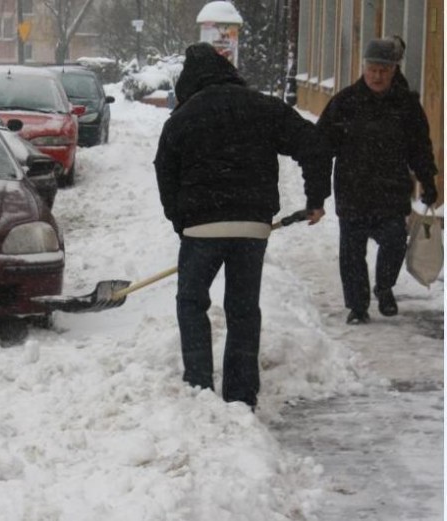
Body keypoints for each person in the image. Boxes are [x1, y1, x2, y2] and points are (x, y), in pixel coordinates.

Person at [154, 42, 331, 410]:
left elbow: (164, 171)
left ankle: (199, 387)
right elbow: (314, 144)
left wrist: (180, 221)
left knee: (191, 302)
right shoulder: (262, 107)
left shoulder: (183, 118)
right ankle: (241, 394)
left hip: (200, 228)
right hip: (252, 226)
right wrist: (316, 199)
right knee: (243, 308)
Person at [317, 38, 439, 325]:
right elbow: (321, 148)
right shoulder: (345, 102)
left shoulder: (407, 106)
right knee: (352, 252)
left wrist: (428, 182)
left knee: (395, 242)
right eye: (372, 69)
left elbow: (420, 147)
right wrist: (317, 194)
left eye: (384, 70)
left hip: (392, 190)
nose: (377, 75)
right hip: (352, 190)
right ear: (364, 68)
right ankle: (357, 307)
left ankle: (384, 287)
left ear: (394, 70)